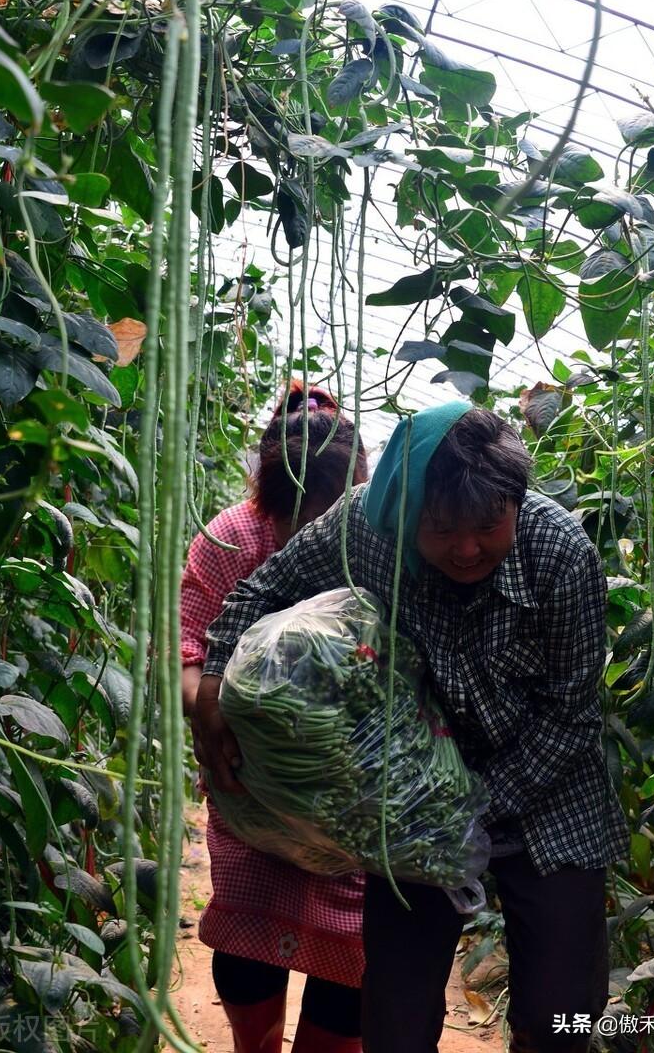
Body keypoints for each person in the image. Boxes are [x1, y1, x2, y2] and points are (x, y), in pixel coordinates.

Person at [196, 401, 631, 1053]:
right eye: (440, 529)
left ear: (516, 502)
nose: (465, 548)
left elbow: (568, 719)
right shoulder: (368, 528)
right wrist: (211, 692)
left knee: (559, 1013)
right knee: (393, 1016)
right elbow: (259, 592)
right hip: (417, 800)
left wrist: (473, 812)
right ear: (406, 517)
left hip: (547, 797)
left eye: (487, 526)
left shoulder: (560, 556)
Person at [180, 382, 369, 1053]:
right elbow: (187, 650)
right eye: (297, 525)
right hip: (249, 787)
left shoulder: (382, 540)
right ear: (267, 503)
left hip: (354, 798)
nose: (311, 543)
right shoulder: (229, 540)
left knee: (353, 942)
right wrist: (211, 715)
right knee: (249, 925)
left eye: (329, 525)